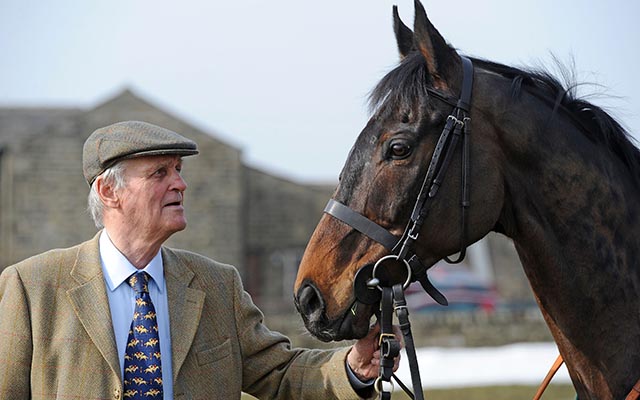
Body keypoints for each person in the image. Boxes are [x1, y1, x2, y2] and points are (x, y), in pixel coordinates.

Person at [0, 121, 399, 400]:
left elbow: (281, 375)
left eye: (178, 169)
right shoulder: (31, 288)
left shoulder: (217, 286)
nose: (180, 183)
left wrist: (355, 366)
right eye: (159, 173)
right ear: (108, 191)